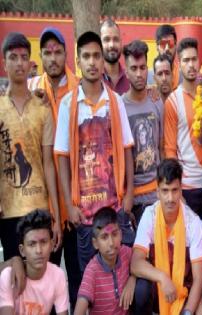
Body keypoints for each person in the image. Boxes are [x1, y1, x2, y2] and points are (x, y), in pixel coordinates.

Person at [54, 31, 135, 272]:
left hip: (115, 207)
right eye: (86, 56)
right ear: (78, 61)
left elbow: (127, 149)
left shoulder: (115, 101)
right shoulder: (68, 105)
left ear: (103, 61)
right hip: (85, 215)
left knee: (120, 274)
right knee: (89, 279)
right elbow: (62, 158)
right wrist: (69, 205)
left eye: (96, 56)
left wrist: (129, 193)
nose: (92, 62)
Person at [27, 26, 81, 309]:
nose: (53, 58)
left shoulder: (80, 90)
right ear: (40, 56)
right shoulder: (34, 90)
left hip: (73, 203)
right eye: (47, 53)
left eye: (58, 51)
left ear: (66, 55)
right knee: (42, 288)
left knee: (77, 280)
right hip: (44, 204)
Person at [0, 32, 60, 261]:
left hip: (39, 207)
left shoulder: (43, 108)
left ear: (30, 62)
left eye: (24, 57)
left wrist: (53, 211)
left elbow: (48, 163)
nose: (19, 63)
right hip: (9, 210)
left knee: (42, 280)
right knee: (14, 280)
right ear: (4, 63)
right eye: (13, 57)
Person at [131, 158, 202, 315]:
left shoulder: (193, 222)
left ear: (181, 190)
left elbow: (199, 278)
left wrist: (188, 312)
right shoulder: (149, 216)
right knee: (141, 289)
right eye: (165, 191)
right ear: (157, 192)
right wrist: (162, 278)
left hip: (182, 291)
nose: (170, 198)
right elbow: (136, 263)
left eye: (174, 190)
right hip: (158, 289)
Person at [164, 37, 202, 218]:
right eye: (186, 60)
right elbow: (170, 150)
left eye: (194, 59)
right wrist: (177, 190)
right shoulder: (172, 101)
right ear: (178, 64)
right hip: (187, 187)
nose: (191, 65)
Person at [122, 40, 163, 223]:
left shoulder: (156, 102)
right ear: (126, 71)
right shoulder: (120, 106)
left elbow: (161, 148)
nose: (139, 74)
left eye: (142, 67)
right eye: (133, 68)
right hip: (132, 198)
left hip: (156, 194)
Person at [0, 209, 68, 314]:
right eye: (32, 244)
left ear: (51, 244)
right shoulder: (9, 276)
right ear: (22, 250)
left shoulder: (58, 275)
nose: (39, 250)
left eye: (44, 242)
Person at [75, 207, 136, 314]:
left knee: (143, 287)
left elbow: (142, 260)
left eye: (115, 234)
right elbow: (81, 304)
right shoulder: (92, 270)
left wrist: (132, 279)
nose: (111, 243)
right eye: (104, 237)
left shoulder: (126, 253)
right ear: (95, 243)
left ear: (121, 235)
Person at [100, 18, 130, 95]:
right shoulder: (93, 79)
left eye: (116, 39)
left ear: (121, 42)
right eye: (106, 40)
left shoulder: (130, 78)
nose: (111, 45)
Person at [155, 24, 181, 90]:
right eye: (163, 44)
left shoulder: (183, 76)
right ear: (157, 47)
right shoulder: (148, 79)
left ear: (176, 45)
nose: (167, 48)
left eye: (170, 44)